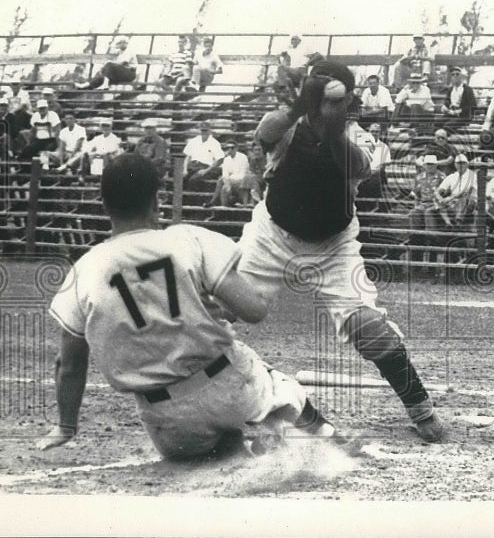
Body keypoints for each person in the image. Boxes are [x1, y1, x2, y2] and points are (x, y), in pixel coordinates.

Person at [38, 153, 355, 460]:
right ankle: (334, 447)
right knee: (286, 389)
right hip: (230, 390)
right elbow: (254, 311)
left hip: (168, 425)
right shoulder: (186, 239)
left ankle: (233, 448)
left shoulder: (84, 270)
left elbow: (68, 364)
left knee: (212, 451)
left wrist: (66, 426)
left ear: (104, 205)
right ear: (156, 202)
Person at [238, 59, 445, 442]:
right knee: (224, 306)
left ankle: (419, 406)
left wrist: (331, 132)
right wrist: (301, 108)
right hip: (272, 233)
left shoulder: (363, 139)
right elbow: (265, 132)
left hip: (333, 246)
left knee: (368, 329)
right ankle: (229, 398)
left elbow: (357, 165)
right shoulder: (288, 126)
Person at [408, 154, 445, 266]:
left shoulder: (442, 177)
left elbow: (445, 194)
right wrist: (416, 205)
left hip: (436, 205)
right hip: (423, 204)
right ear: (424, 165)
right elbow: (416, 194)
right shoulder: (419, 177)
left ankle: (431, 236)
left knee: (429, 215)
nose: (430, 167)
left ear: (436, 165)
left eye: (432, 164)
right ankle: (416, 235)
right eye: (428, 164)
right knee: (413, 213)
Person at [432, 154, 475, 228]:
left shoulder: (472, 175)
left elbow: (466, 191)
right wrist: (440, 198)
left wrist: (451, 198)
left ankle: (458, 223)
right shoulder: (452, 176)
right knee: (435, 199)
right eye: (458, 163)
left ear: (467, 164)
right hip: (454, 202)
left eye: (463, 163)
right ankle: (448, 223)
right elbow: (439, 190)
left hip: (469, 202)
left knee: (464, 199)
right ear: (455, 164)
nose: (460, 165)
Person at [356, 122, 391, 210]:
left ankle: (372, 207)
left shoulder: (384, 147)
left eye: (376, 132)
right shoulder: (361, 145)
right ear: (368, 132)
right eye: (372, 131)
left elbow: (382, 166)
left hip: (376, 174)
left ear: (380, 133)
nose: (374, 133)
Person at [208, 141, 253, 207]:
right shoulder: (227, 159)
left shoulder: (243, 157)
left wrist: (229, 180)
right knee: (224, 186)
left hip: (242, 182)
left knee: (221, 181)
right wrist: (227, 184)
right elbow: (225, 174)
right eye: (227, 148)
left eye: (232, 147)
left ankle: (213, 201)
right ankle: (223, 208)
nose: (229, 150)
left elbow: (243, 175)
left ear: (236, 148)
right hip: (232, 181)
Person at [182, 121, 224, 191]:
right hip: (193, 165)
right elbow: (187, 157)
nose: (204, 132)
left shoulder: (215, 143)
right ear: (199, 130)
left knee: (194, 180)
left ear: (210, 130)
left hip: (205, 167)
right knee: (178, 177)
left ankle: (193, 201)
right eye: (202, 130)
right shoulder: (193, 141)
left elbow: (220, 159)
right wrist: (184, 169)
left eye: (205, 130)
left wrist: (206, 170)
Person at [437, 66, 477, 131]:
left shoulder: (468, 89)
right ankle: (440, 139)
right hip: (451, 114)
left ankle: (448, 140)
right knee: (437, 123)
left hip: (463, 116)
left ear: (461, 76)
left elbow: (473, 106)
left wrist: (460, 111)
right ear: (451, 77)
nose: (455, 76)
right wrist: (445, 106)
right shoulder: (450, 89)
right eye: (453, 75)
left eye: (457, 74)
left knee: (447, 126)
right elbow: (447, 101)